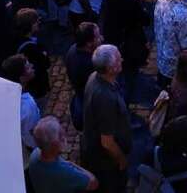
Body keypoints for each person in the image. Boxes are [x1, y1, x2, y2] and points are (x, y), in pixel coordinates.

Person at [82, 44, 133, 193]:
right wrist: (121, 160)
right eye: (118, 59)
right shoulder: (106, 98)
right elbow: (107, 142)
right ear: (111, 69)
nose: (122, 59)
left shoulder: (95, 77)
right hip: (106, 163)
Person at [27, 116, 99, 192]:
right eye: (60, 135)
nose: (64, 134)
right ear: (54, 144)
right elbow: (94, 183)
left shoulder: (35, 153)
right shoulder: (65, 172)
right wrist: (72, 165)